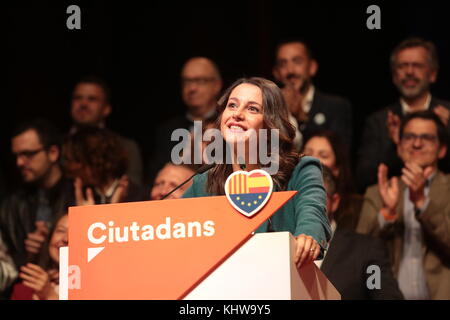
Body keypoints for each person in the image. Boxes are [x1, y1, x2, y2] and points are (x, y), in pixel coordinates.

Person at [182, 77, 331, 268]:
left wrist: (308, 236)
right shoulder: (203, 182)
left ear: (271, 123)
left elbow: (312, 211)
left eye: (252, 109)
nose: (237, 114)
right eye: (232, 105)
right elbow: (174, 228)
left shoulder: (300, 170)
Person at [357, 111, 450, 300]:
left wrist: (422, 203)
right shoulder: (377, 192)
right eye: (409, 137)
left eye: (427, 138)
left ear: (442, 149)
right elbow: (359, 256)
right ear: (399, 146)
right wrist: (387, 214)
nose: (417, 144)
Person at [356, 37, 450, 192]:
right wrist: (395, 146)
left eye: (417, 65)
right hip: (394, 202)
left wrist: (446, 134)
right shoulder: (378, 121)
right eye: (402, 66)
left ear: (432, 74)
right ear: (394, 76)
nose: (409, 72)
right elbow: (363, 178)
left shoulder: (448, 115)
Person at [0, 119, 74, 279]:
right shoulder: (11, 204)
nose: (19, 162)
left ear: (53, 153)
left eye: (28, 154)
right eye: (17, 155)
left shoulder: (79, 194)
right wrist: (29, 257)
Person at [318, 166, 403, 300]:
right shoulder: (280, 246)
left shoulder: (365, 251)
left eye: (316, 196)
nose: (306, 204)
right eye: (298, 196)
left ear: (334, 202)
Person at [147, 57, 223, 184]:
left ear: (217, 85)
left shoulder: (229, 125)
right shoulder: (167, 130)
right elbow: (154, 177)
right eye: (187, 81)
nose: (192, 88)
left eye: (200, 81)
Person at [273, 39, 353, 149]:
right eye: (283, 64)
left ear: (312, 67)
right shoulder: (270, 109)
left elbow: (339, 154)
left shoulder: (336, 106)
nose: (290, 70)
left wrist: (302, 119)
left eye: (297, 61)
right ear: (276, 73)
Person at [70, 75, 144, 185]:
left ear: (106, 109)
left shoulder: (126, 147)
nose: (83, 104)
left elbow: (134, 191)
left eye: (92, 99)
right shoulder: (58, 146)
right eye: (78, 98)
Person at [64, 127, 148, 205]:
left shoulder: (136, 197)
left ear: (93, 161)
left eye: (72, 161)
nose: (69, 167)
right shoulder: (78, 198)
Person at [302, 130, 363, 231]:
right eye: (308, 153)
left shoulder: (356, 209)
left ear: (337, 168)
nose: (313, 160)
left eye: (323, 156)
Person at [10, 214, 67, 300]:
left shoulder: (92, 286)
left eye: (75, 232)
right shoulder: (27, 288)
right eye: (61, 230)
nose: (66, 239)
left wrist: (50, 296)